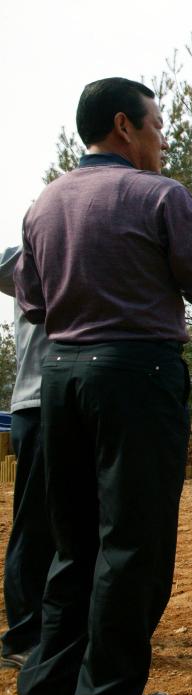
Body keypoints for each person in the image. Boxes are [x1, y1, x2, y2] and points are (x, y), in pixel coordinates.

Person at [14, 77, 192, 695]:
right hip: (137, 376)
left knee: (72, 545)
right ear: (124, 126)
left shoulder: (44, 202)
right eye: (157, 125)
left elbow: (31, 302)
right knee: (132, 548)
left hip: (61, 379)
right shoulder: (160, 195)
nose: (164, 138)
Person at [0, 247, 52, 671]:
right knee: (35, 523)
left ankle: (59, 629)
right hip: (39, 401)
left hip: (87, 398)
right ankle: (24, 636)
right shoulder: (31, 248)